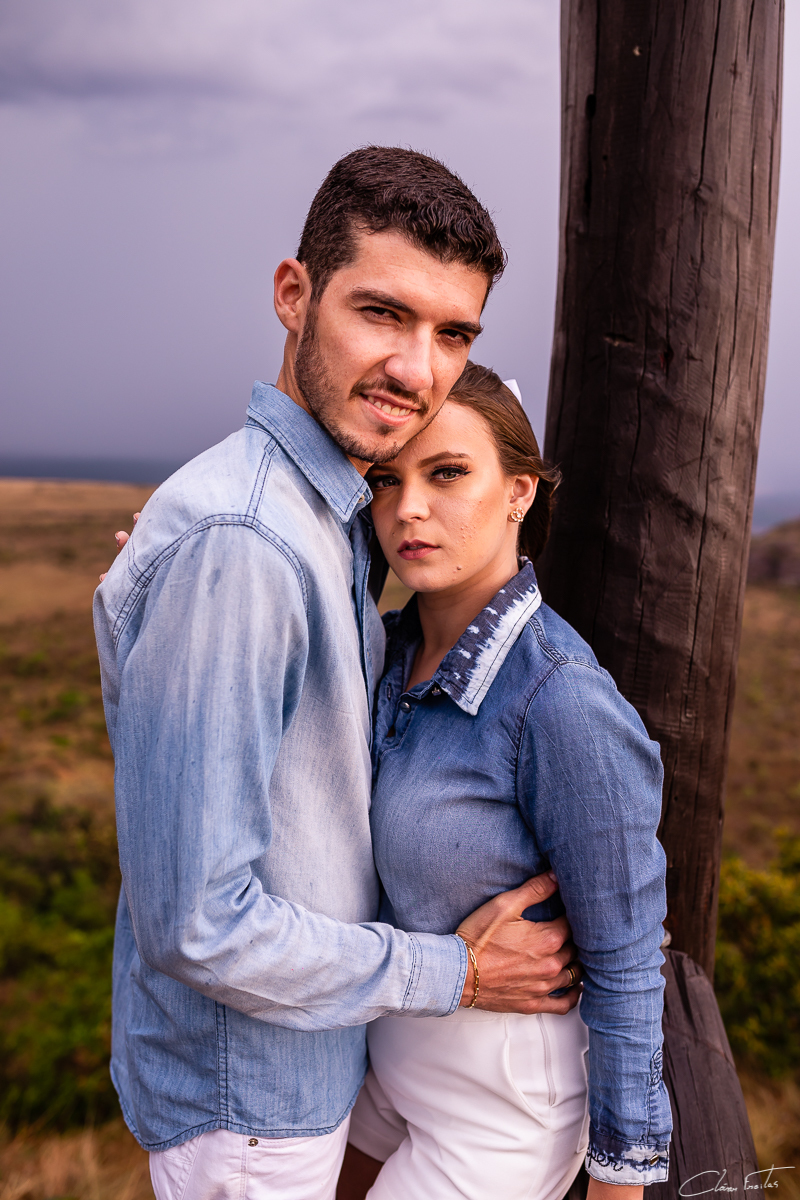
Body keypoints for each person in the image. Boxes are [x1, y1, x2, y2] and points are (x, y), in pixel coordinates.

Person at [94, 148, 582, 1200]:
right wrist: (454, 973)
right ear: (293, 296)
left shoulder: (313, 522)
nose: (417, 368)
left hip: (298, 1083)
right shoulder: (247, 543)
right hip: (250, 1114)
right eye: (381, 314)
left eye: (452, 333)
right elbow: (199, 924)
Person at [337, 364, 672, 1199]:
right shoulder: (384, 654)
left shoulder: (560, 701)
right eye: (387, 479)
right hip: (388, 1066)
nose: (408, 508)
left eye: (447, 472)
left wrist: (620, 1181)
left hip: (501, 1107)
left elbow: (629, 963)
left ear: (520, 491)